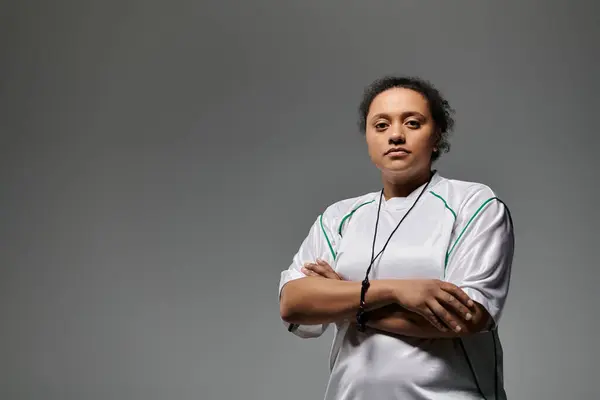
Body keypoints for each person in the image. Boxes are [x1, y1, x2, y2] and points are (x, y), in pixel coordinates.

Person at [277, 75, 515, 400]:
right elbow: (293, 303)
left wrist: (343, 299)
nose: (396, 135)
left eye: (413, 123)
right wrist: (398, 291)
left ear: (437, 135)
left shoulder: (473, 204)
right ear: (368, 138)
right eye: (381, 125)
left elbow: (466, 317)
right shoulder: (339, 217)